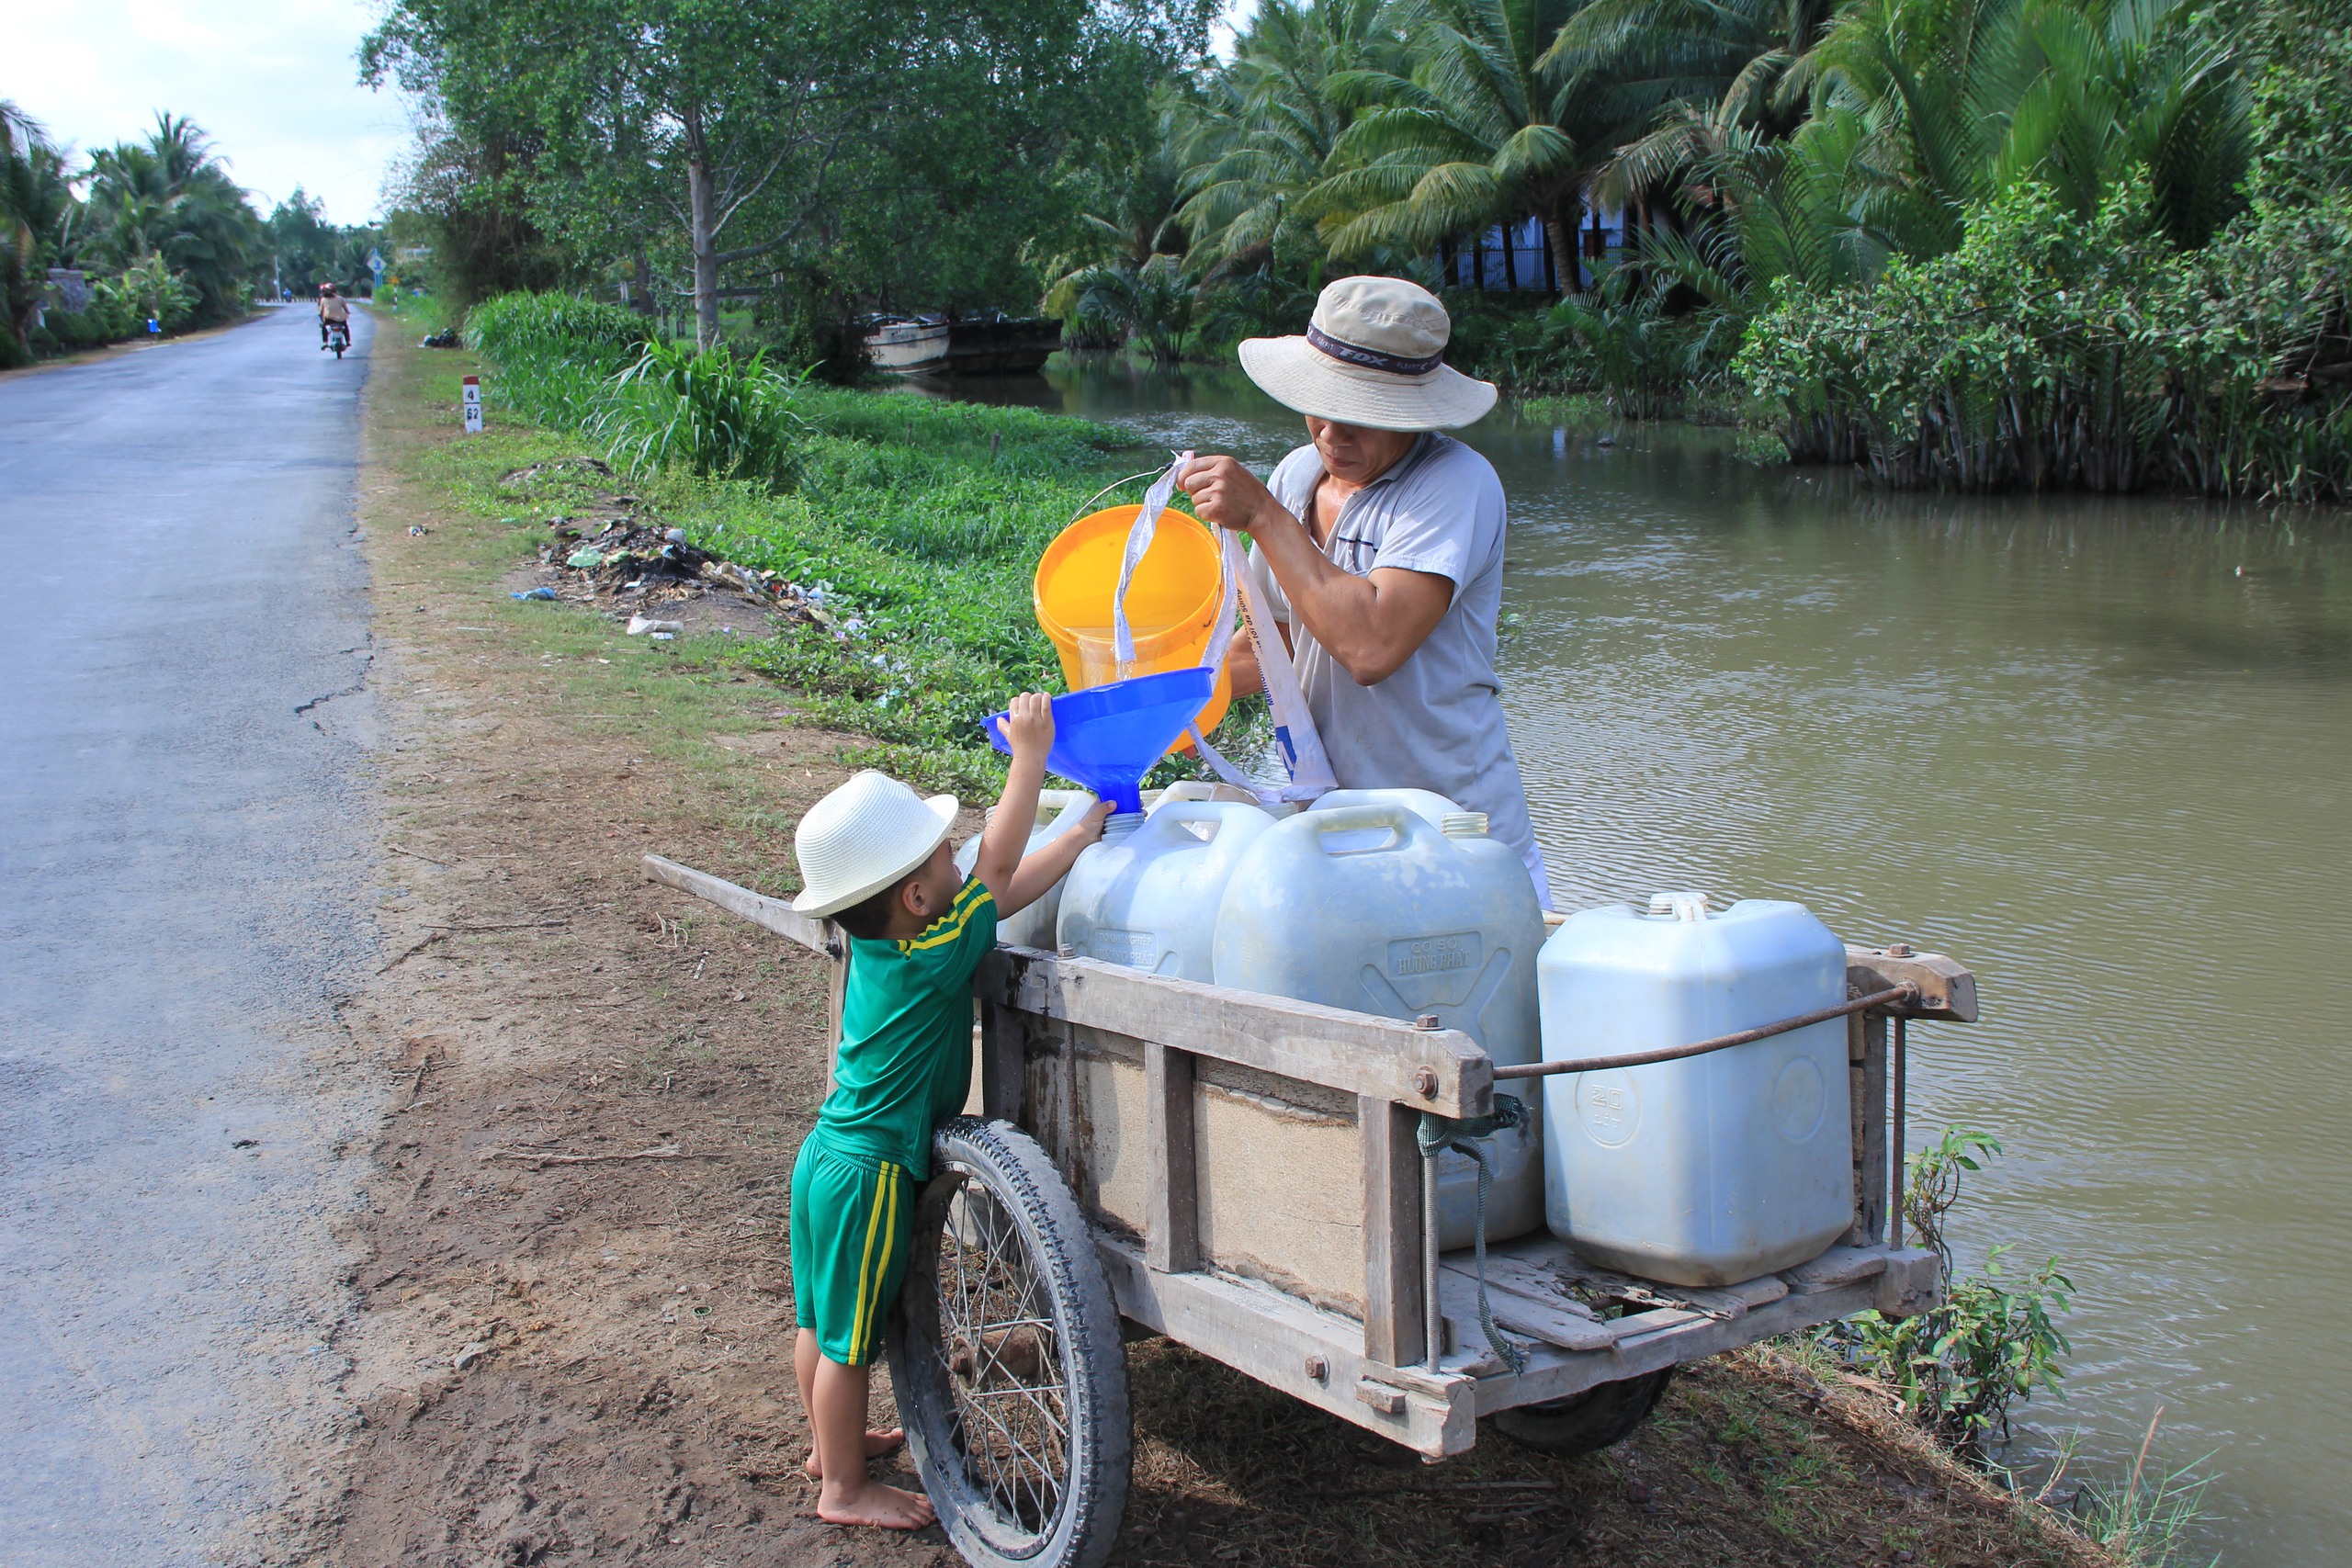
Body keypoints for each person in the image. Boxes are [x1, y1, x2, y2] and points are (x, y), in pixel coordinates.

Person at [785, 704, 1111, 1529]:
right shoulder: (931, 955)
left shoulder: (888, 945)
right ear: (919, 894)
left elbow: (992, 893)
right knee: (853, 1341)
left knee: (821, 1323)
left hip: (826, 1155)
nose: (958, 860)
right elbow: (997, 873)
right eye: (944, 857)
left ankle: (834, 1444)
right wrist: (1029, 758)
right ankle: (843, 1489)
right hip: (870, 1173)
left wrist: (1072, 842)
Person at [1178, 275, 1552, 907]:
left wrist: (1266, 518)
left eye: (1361, 417)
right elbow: (1284, 637)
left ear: (1414, 413)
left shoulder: (1455, 484)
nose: (1332, 434)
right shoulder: (1297, 475)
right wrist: (1168, 701)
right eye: (1321, 406)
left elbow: (1370, 645)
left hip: (1453, 834)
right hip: (1337, 831)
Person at [316, 283, 349, 348]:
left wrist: (322, 319)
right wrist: (346, 314)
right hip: (340, 319)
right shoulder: (340, 298)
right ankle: (348, 341)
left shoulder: (323, 299)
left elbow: (320, 312)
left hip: (329, 319)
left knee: (324, 328)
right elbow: (346, 310)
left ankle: (325, 342)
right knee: (345, 328)